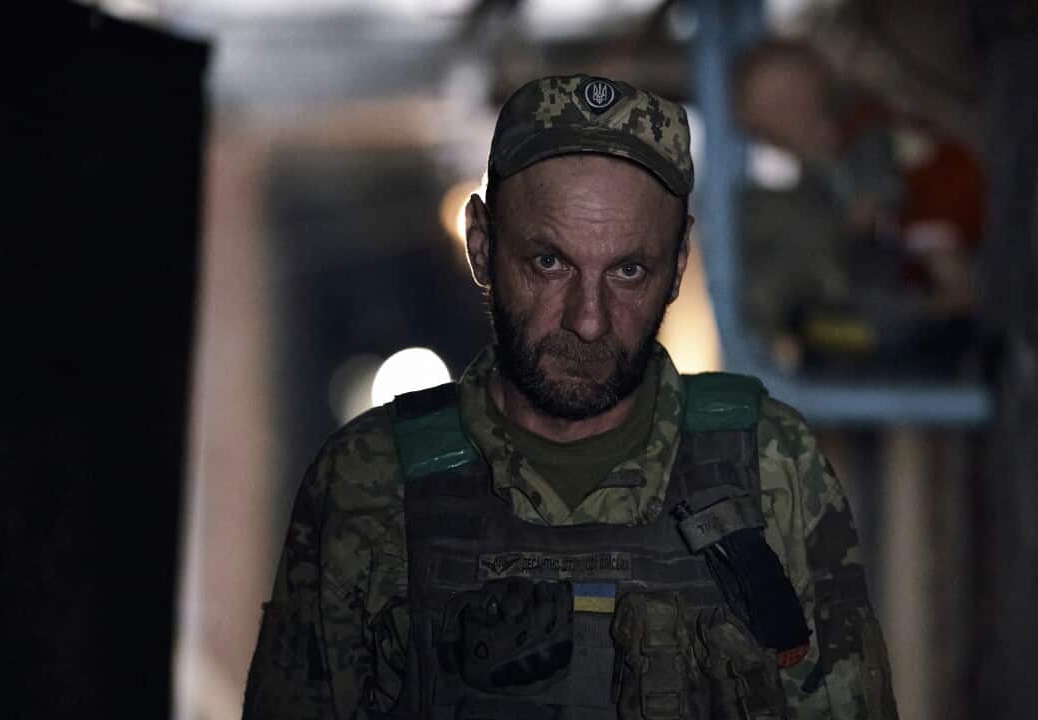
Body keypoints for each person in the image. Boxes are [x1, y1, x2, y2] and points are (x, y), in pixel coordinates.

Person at [244, 74, 897, 720]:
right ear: (482, 244)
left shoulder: (767, 460)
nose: (589, 319)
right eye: (549, 263)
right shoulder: (369, 480)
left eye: (629, 270)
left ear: (676, 268)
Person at [734, 39, 986, 376]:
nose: (791, 111)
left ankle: (956, 292)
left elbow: (877, 162)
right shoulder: (808, 177)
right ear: (764, 133)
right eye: (775, 109)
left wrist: (869, 197)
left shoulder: (857, 119)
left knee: (931, 230)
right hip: (892, 252)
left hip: (931, 186)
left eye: (794, 95)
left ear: (818, 78)